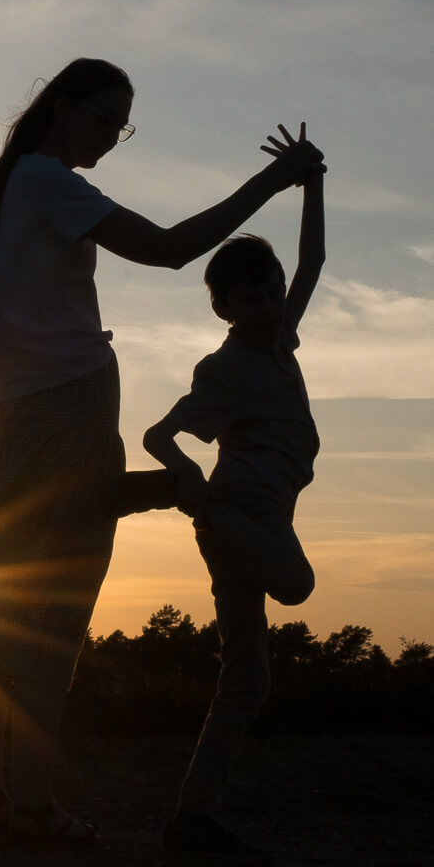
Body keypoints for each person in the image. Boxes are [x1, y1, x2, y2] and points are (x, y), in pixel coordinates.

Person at [0, 59, 324, 841]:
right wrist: (275, 182)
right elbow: (168, 249)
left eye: (123, 126)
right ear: (62, 108)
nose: (111, 139)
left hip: (8, 420)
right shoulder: (49, 181)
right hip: (67, 407)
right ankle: (28, 807)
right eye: (104, 119)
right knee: (50, 613)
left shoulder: (0, 195)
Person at [144, 126, 324, 859]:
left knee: (246, 679)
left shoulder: (281, 340)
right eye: (249, 293)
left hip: (255, 519)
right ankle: (202, 511)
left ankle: (193, 817)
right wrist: (190, 481)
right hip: (237, 514)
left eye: (272, 289)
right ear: (223, 309)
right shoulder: (223, 372)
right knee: (298, 584)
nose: (269, 299)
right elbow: (160, 435)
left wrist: (310, 179)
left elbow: (313, 259)